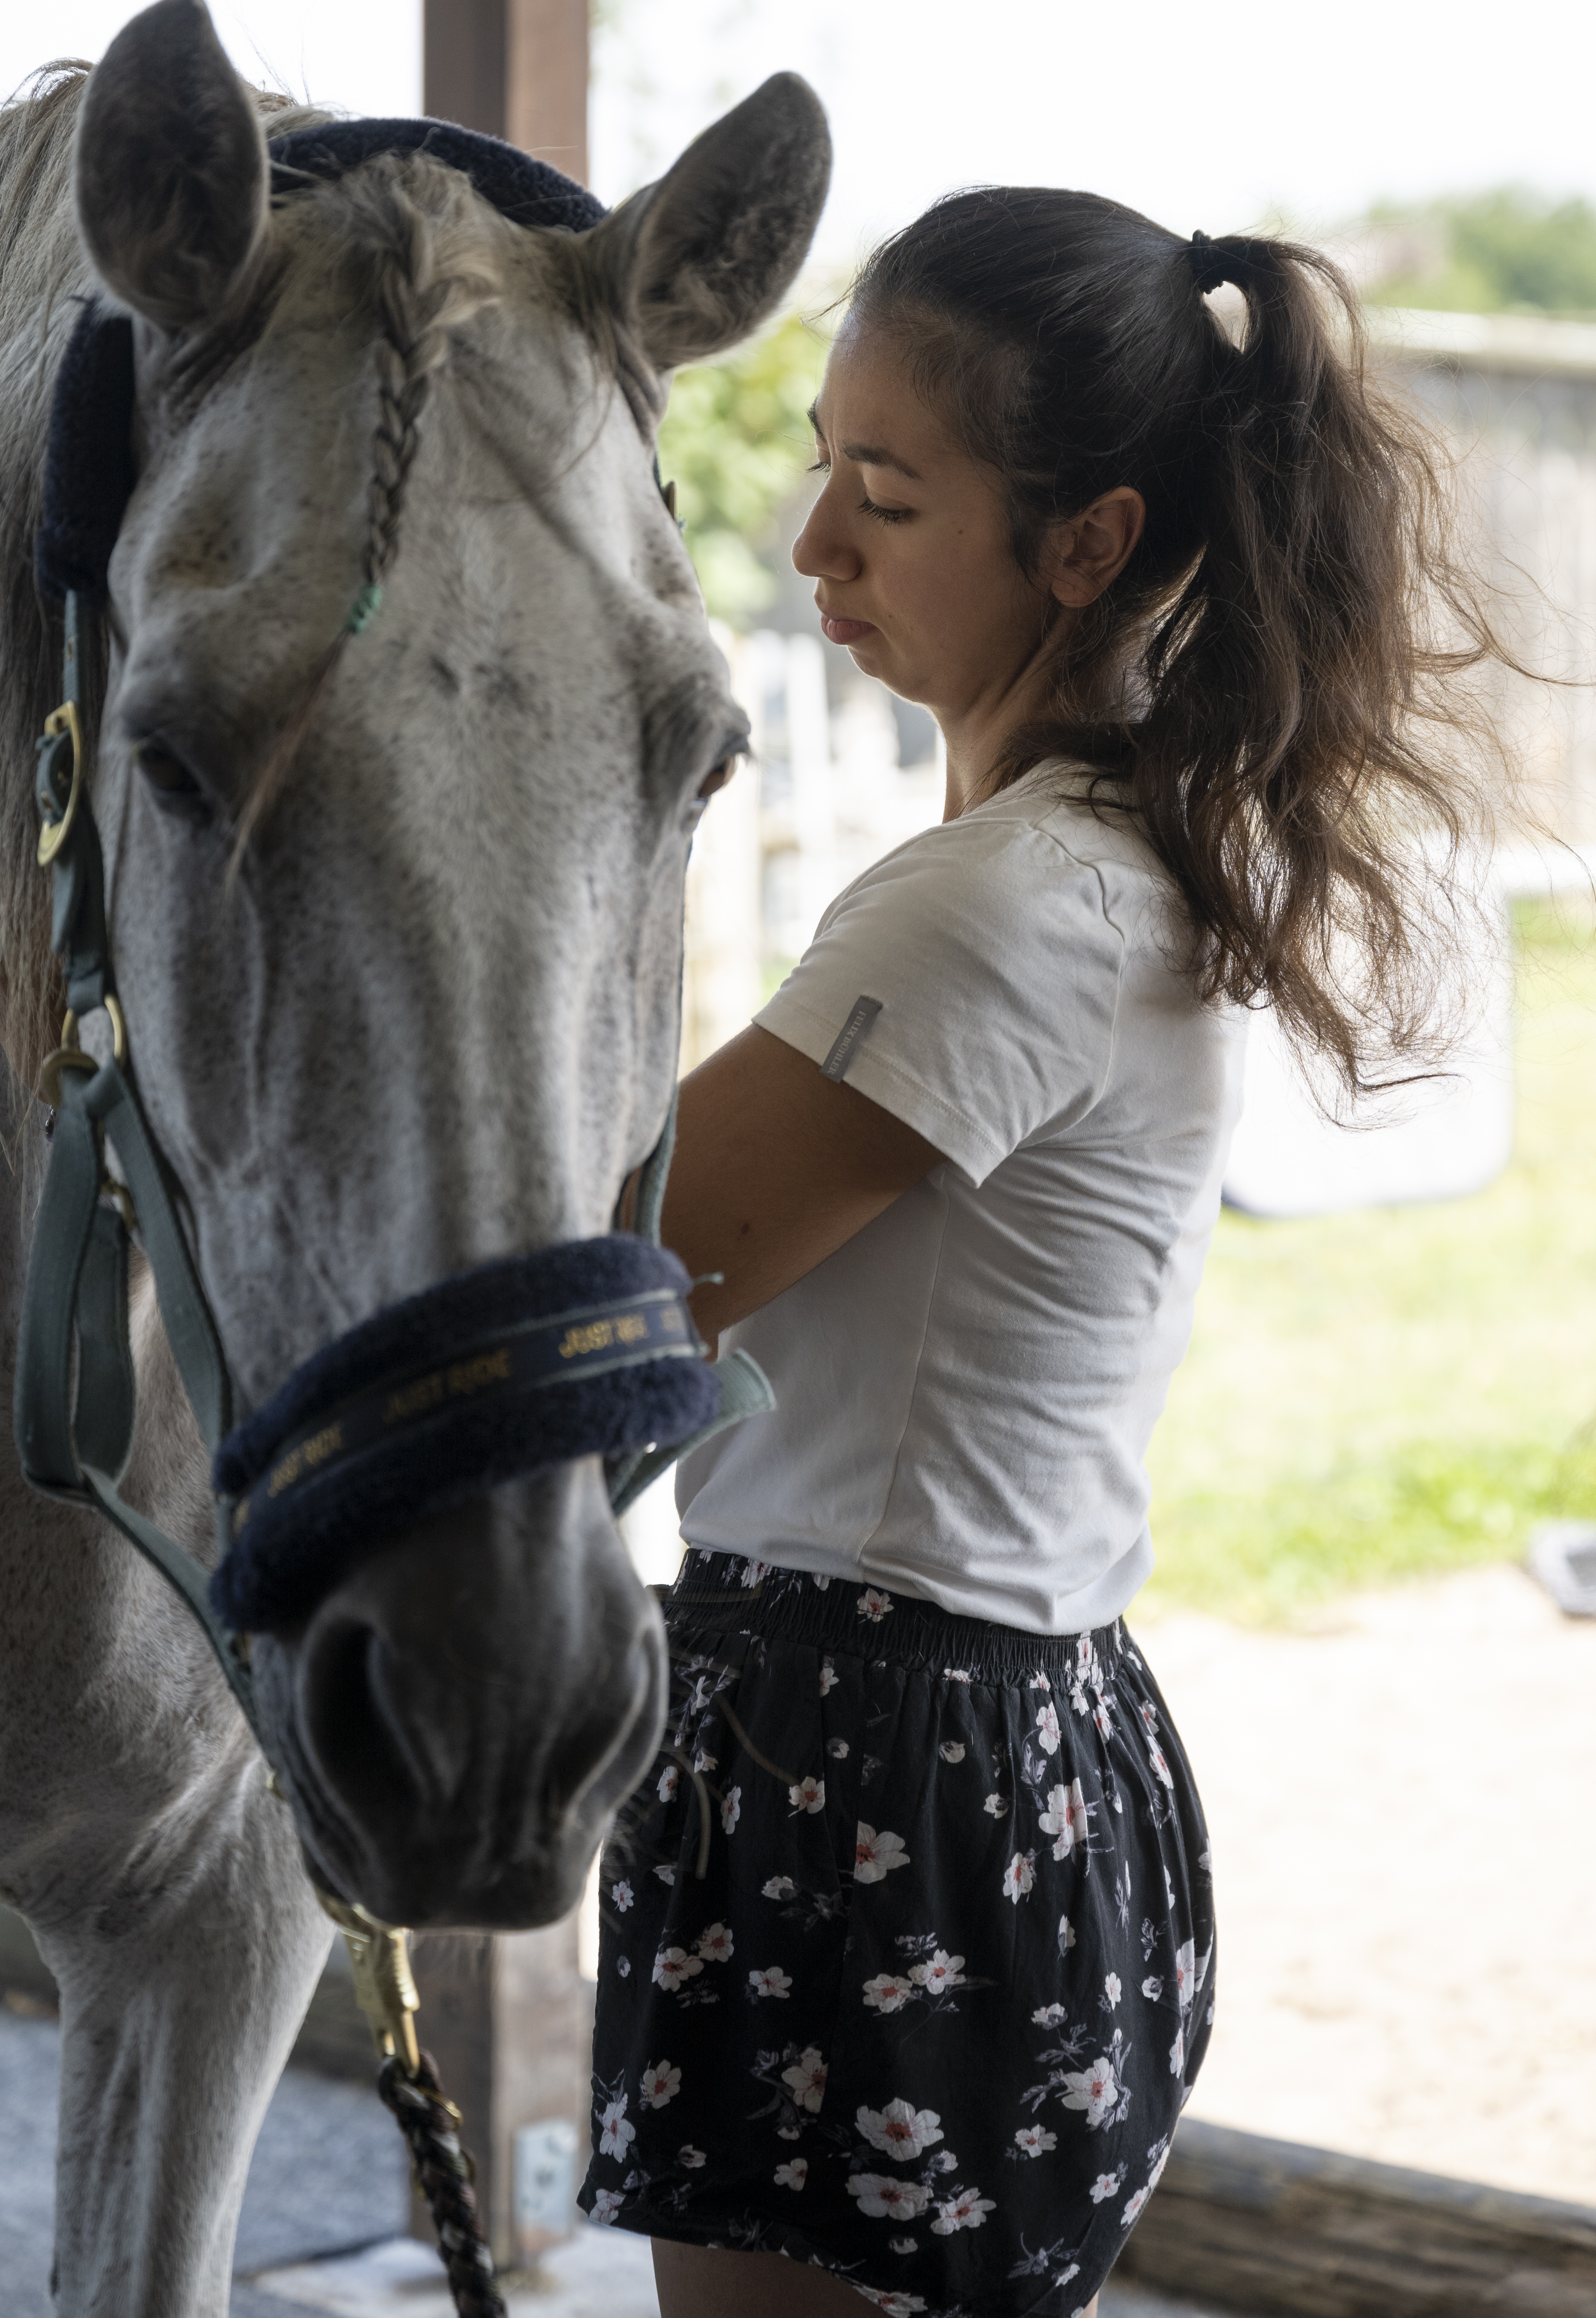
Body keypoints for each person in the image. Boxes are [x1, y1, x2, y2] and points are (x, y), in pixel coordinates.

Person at [579, 188, 1491, 2317]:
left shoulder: (993, 908)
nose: (812, 544)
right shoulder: (1120, 864)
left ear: (1085, 543)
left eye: (884, 496)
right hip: (997, 1760)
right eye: (817, 463)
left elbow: (601, 1294)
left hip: (865, 1779)